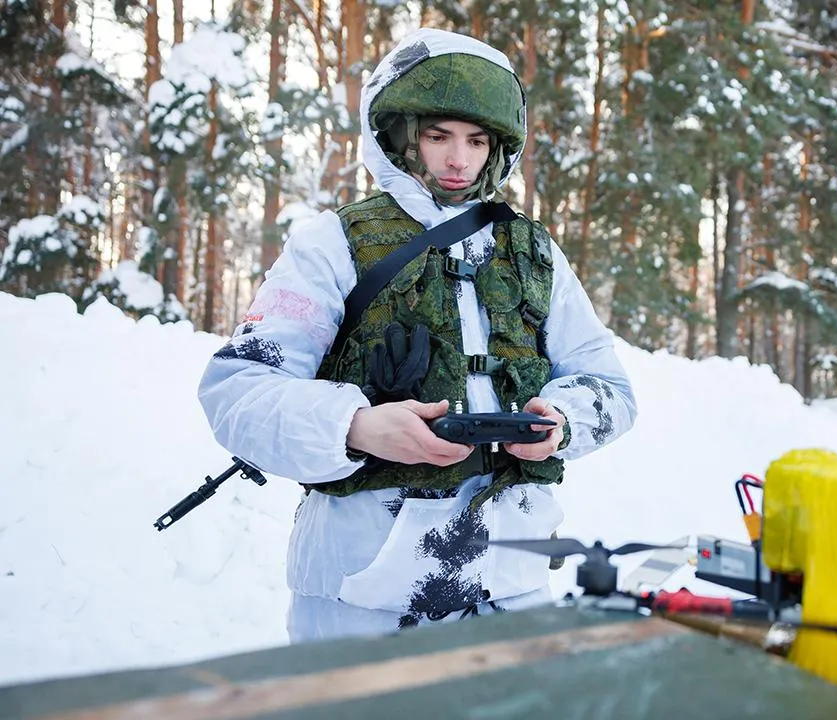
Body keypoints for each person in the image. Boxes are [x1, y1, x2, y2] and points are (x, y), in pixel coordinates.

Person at [197, 27, 637, 642]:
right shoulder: (333, 243)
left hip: (513, 584)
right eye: (438, 137)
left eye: (477, 140)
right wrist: (357, 426)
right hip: (363, 589)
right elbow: (238, 390)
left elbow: (610, 387)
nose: (459, 160)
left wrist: (560, 421)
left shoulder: (535, 253)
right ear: (402, 135)